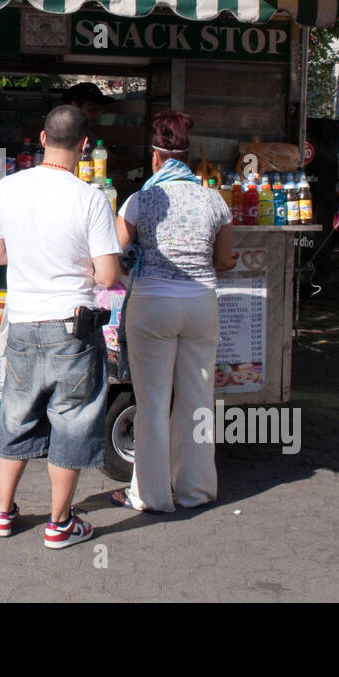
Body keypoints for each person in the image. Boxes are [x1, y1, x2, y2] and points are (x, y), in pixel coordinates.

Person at [0, 105, 121, 549]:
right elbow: (109, 275)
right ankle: (60, 525)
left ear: (41, 139)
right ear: (84, 145)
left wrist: (25, 253)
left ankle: (3, 512)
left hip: (21, 323)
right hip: (72, 328)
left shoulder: (6, 188)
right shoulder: (91, 197)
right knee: (72, 420)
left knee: (17, 416)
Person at [109, 109, 237, 513]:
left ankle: (149, 495)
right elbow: (223, 260)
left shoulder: (140, 200)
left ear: (155, 157)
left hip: (153, 306)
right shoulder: (215, 200)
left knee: (152, 402)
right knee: (197, 400)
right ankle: (195, 491)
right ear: (185, 155)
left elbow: (117, 252)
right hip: (200, 304)